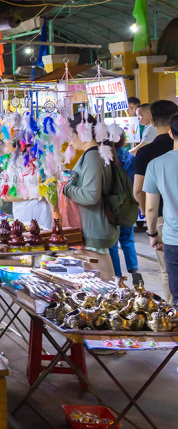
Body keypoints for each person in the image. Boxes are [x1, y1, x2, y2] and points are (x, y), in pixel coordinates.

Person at [63, 113, 119, 281]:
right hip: (94, 226)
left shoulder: (93, 156)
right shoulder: (93, 154)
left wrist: (66, 189)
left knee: (104, 283)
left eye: (70, 135)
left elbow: (90, 196)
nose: (69, 141)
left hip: (95, 227)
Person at [134, 99, 178, 303]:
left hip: (167, 228)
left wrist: (151, 230)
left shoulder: (150, 158)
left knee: (169, 274)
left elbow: (142, 197)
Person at [111, 137, 141, 285]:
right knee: (127, 239)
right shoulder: (131, 158)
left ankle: (118, 278)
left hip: (112, 205)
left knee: (112, 243)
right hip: (129, 203)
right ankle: (135, 270)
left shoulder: (107, 159)